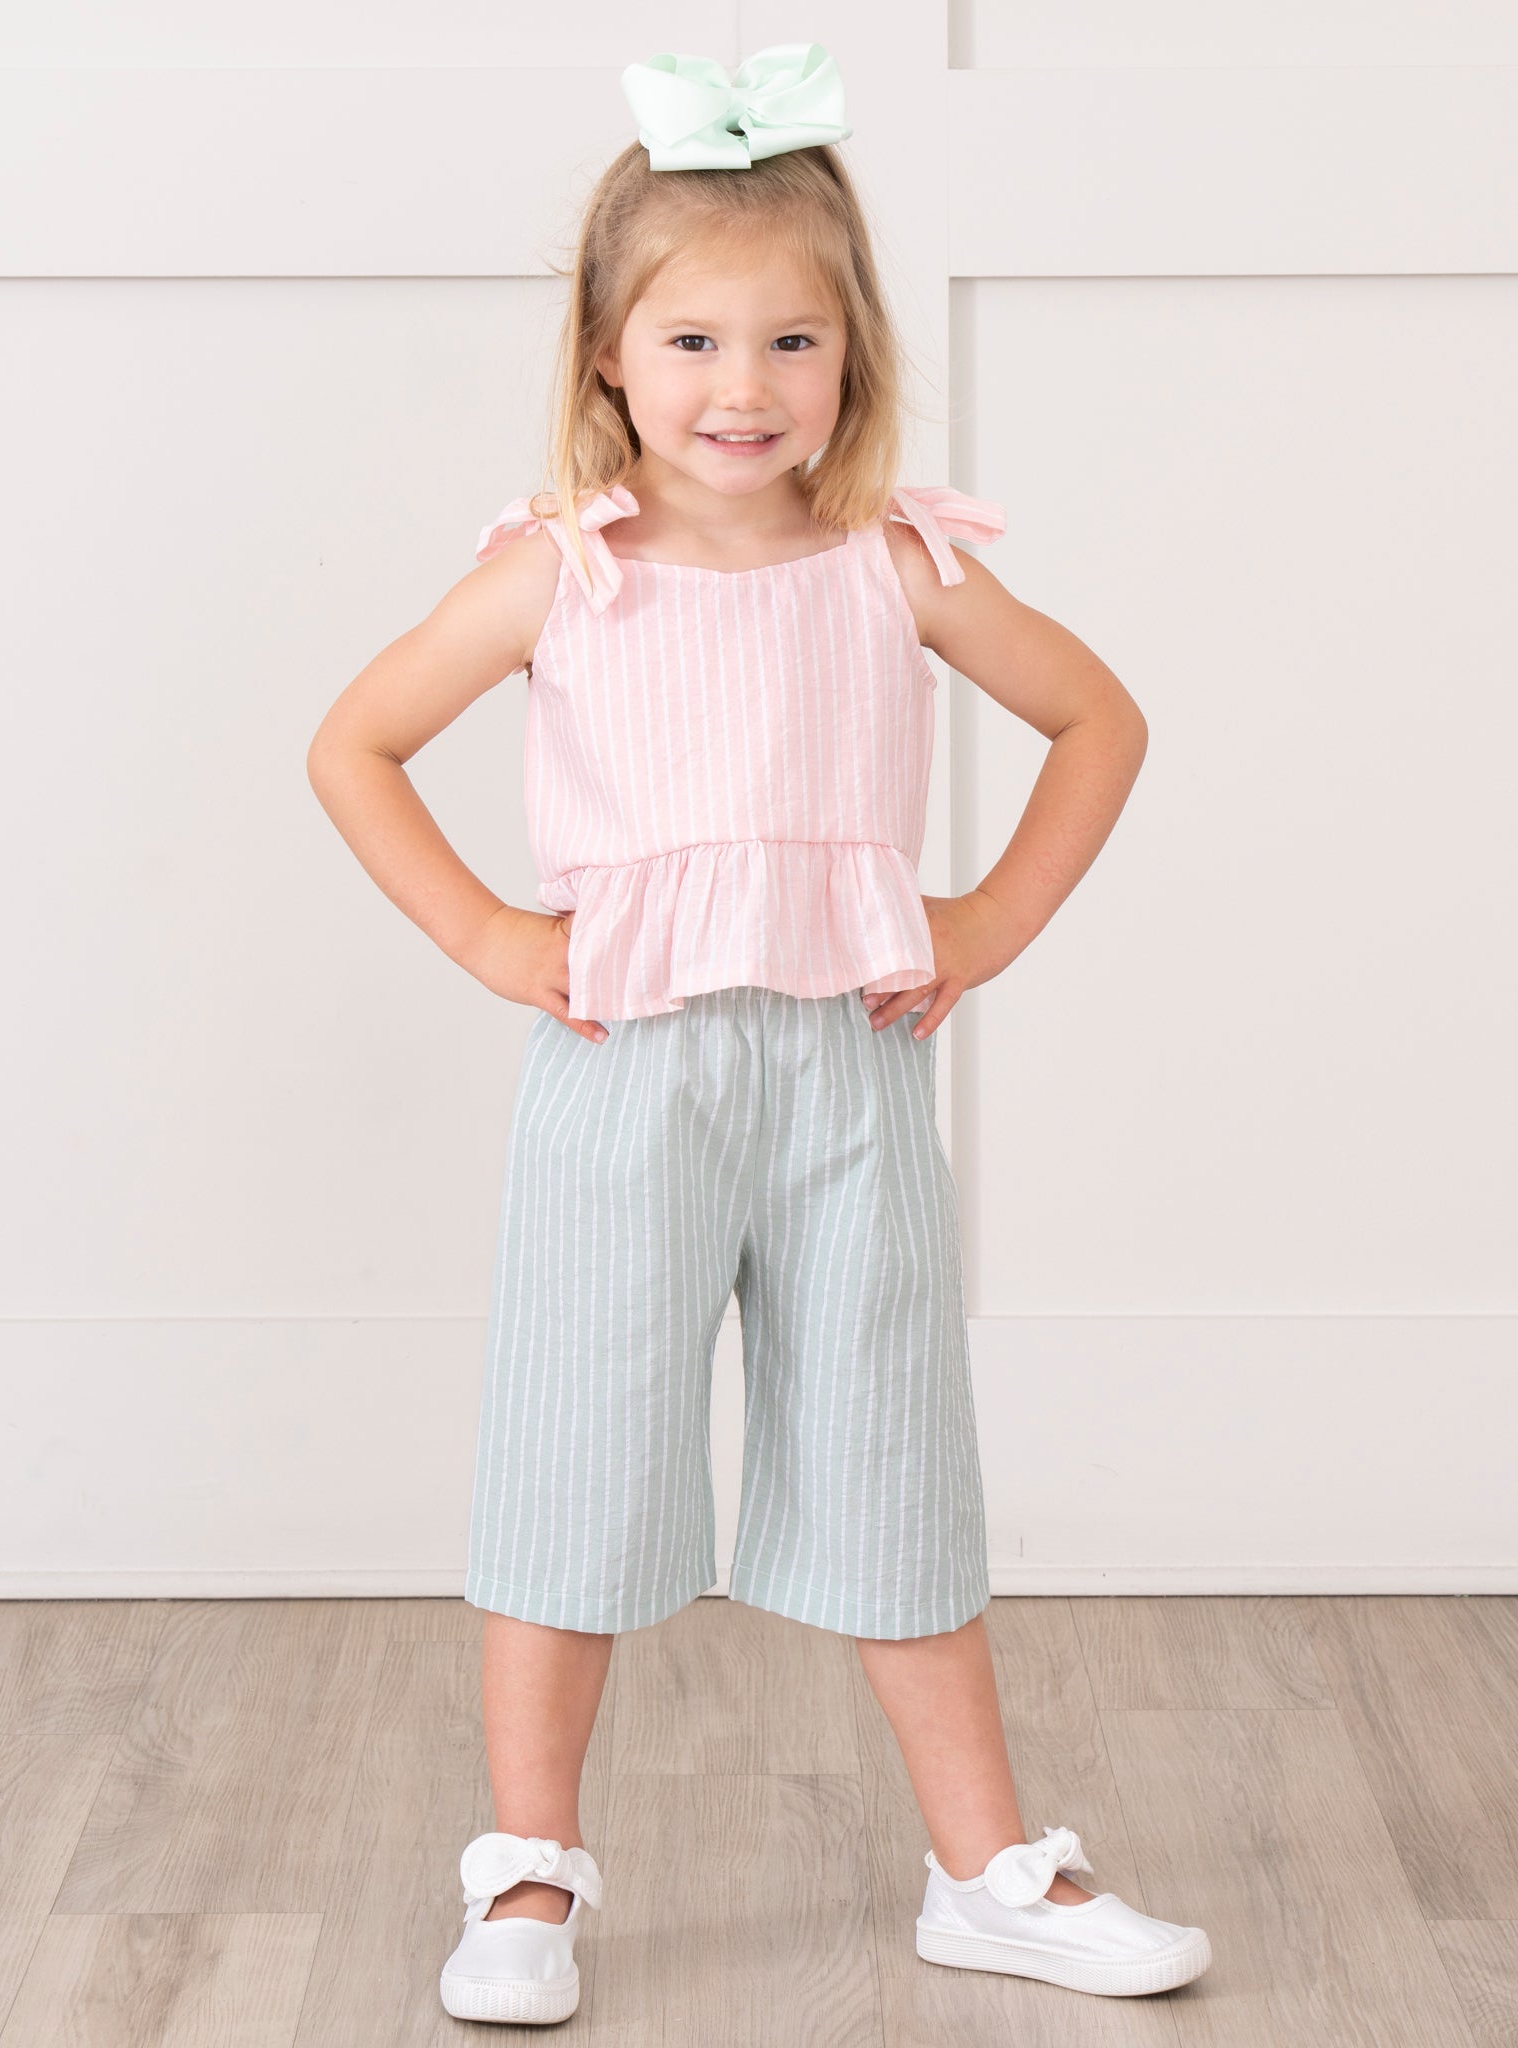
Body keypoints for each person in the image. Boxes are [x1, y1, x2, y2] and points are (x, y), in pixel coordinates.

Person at [306, 40, 1212, 2028]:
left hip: (846, 1078)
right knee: (578, 1458)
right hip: (624, 1077)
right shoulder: (559, 574)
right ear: (610, 355)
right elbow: (354, 743)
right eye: (695, 339)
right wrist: (487, 932)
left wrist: (987, 919)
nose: (745, 385)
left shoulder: (896, 563)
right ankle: (527, 1868)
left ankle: (985, 1869)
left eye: (793, 339)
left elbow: (1101, 718)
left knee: (896, 1451)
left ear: (854, 349)